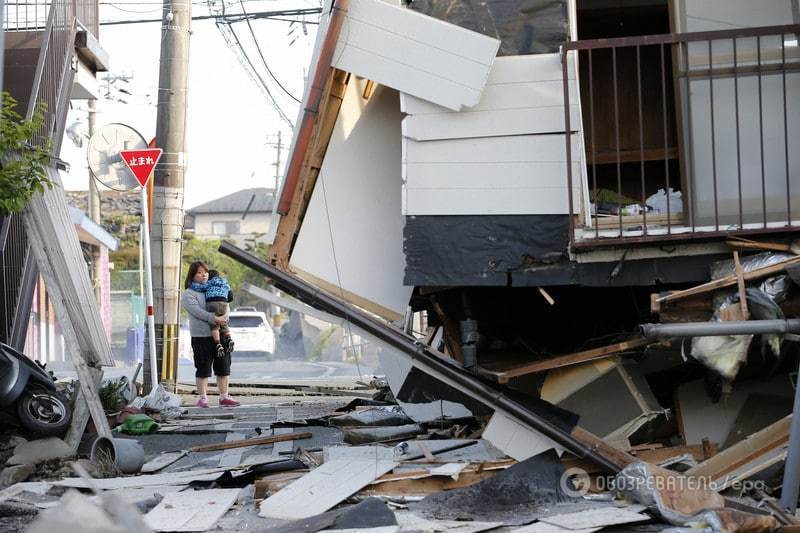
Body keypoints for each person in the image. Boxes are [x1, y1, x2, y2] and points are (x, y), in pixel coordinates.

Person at [181, 261, 240, 408]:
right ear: (192, 276)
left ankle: (224, 396)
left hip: (221, 334)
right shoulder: (189, 294)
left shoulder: (214, 287)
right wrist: (214, 318)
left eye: (205, 272)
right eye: (199, 272)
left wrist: (224, 318)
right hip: (201, 337)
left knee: (224, 367)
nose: (204, 275)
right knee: (203, 368)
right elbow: (197, 312)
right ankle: (202, 398)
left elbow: (225, 304)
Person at [189, 269, 235, 358]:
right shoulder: (225, 282)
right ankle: (229, 338)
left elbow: (200, 288)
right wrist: (225, 298)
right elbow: (231, 296)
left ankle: (218, 344)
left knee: (214, 327)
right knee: (223, 322)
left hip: (212, 303)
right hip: (223, 303)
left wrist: (192, 285)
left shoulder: (209, 282)